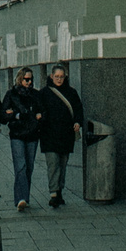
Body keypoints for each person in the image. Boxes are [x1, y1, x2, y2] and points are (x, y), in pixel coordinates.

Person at [39, 64, 86, 209]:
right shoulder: (44, 93)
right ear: (51, 76)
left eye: (61, 77)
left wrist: (77, 122)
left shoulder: (71, 92)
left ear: (65, 77)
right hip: (49, 135)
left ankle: (59, 190)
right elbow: (38, 110)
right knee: (53, 164)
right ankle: (53, 193)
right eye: (57, 76)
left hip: (66, 135)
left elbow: (78, 109)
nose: (59, 79)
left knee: (63, 164)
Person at [0, 67, 47, 211]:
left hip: (32, 134)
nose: (29, 82)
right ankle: (20, 199)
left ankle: (25, 197)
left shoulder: (36, 94)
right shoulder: (11, 94)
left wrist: (40, 117)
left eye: (31, 79)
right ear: (20, 79)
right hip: (17, 134)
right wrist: (14, 115)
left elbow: (43, 111)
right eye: (26, 79)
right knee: (21, 166)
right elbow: (3, 115)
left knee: (29, 167)